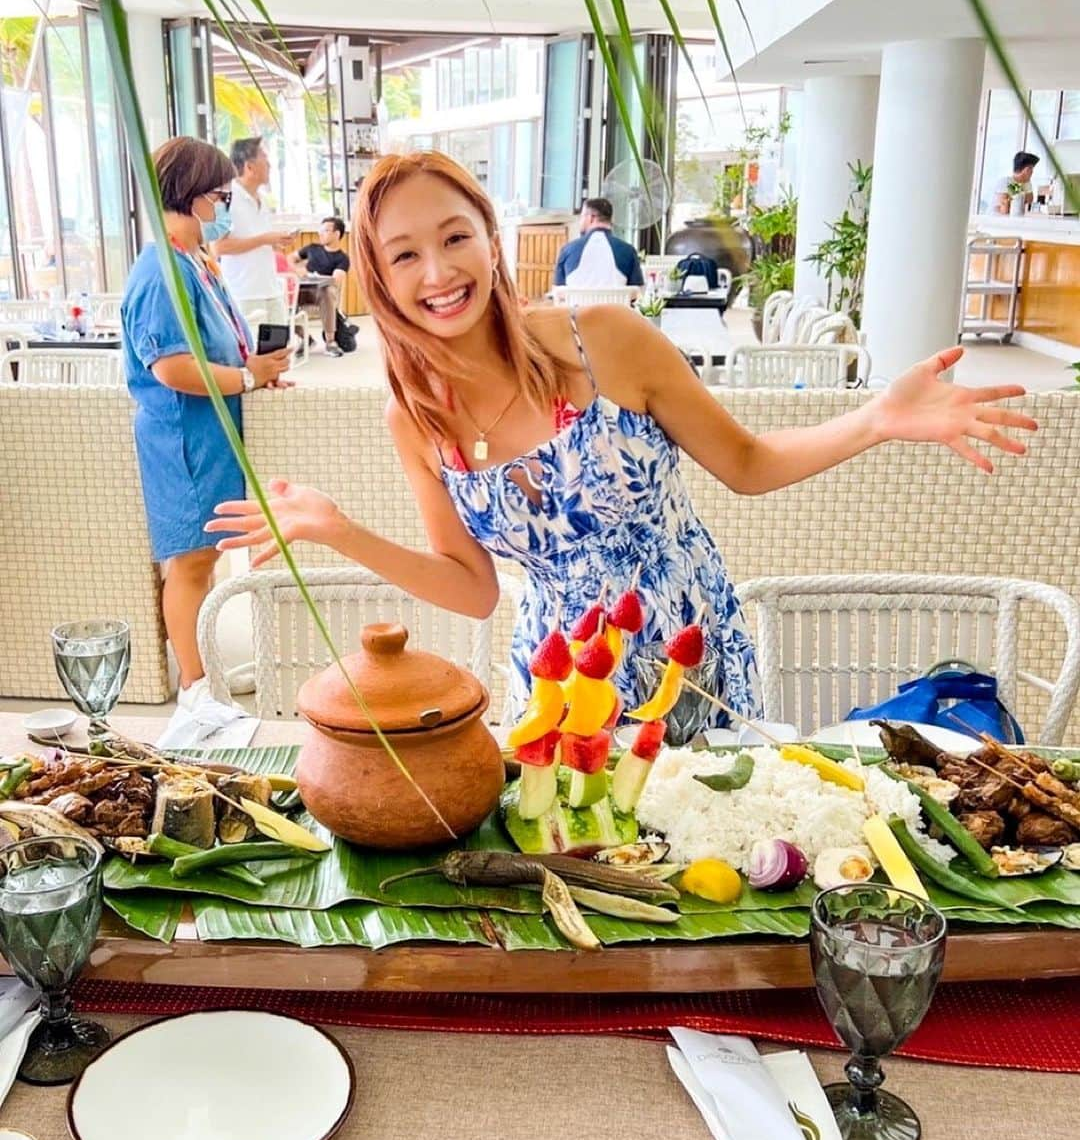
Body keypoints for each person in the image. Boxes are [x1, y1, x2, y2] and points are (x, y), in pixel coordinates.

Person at [207, 151, 1036, 725]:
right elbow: (473, 589)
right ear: (380, 278)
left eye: (456, 237)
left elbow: (745, 463)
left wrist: (877, 420)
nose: (439, 272)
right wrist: (339, 530)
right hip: (560, 686)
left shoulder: (602, 337)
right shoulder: (415, 413)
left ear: (491, 241)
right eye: (405, 254)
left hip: (690, 665)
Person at [122, 136, 292, 719]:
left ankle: (203, 673)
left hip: (209, 434)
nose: (224, 205)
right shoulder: (162, 272)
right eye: (220, 195)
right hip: (182, 438)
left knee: (207, 554)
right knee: (190, 561)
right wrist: (244, 378)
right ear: (194, 197)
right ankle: (195, 691)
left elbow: (219, 348)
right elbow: (171, 366)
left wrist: (256, 373)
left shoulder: (196, 263)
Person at [213, 136, 295, 328]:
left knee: (279, 352)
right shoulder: (227, 198)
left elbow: (256, 239)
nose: (270, 164)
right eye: (264, 158)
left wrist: (275, 241)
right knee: (251, 354)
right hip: (244, 294)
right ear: (249, 167)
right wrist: (265, 239)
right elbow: (219, 247)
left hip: (271, 289)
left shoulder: (263, 199)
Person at [289, 217, 351, 356]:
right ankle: (306, 339)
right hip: (303, 290)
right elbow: (290, 259)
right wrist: (298, 269)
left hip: (323, 292)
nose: (321, 233)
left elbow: (336, 279)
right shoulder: (312, 248)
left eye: (326, 230)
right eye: (320, 230)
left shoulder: (342, 258)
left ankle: (330, 342)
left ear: (337, 234)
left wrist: (315, 276)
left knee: (328, 291)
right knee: (282, 298)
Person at [554, 197, 645, 289]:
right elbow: (638, 292)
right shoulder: (628, 251)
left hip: (576, 303)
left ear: (591, 218)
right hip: (615, 303)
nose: (580, 221)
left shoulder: (567, 250)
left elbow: (558, 292)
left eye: (581, 216)